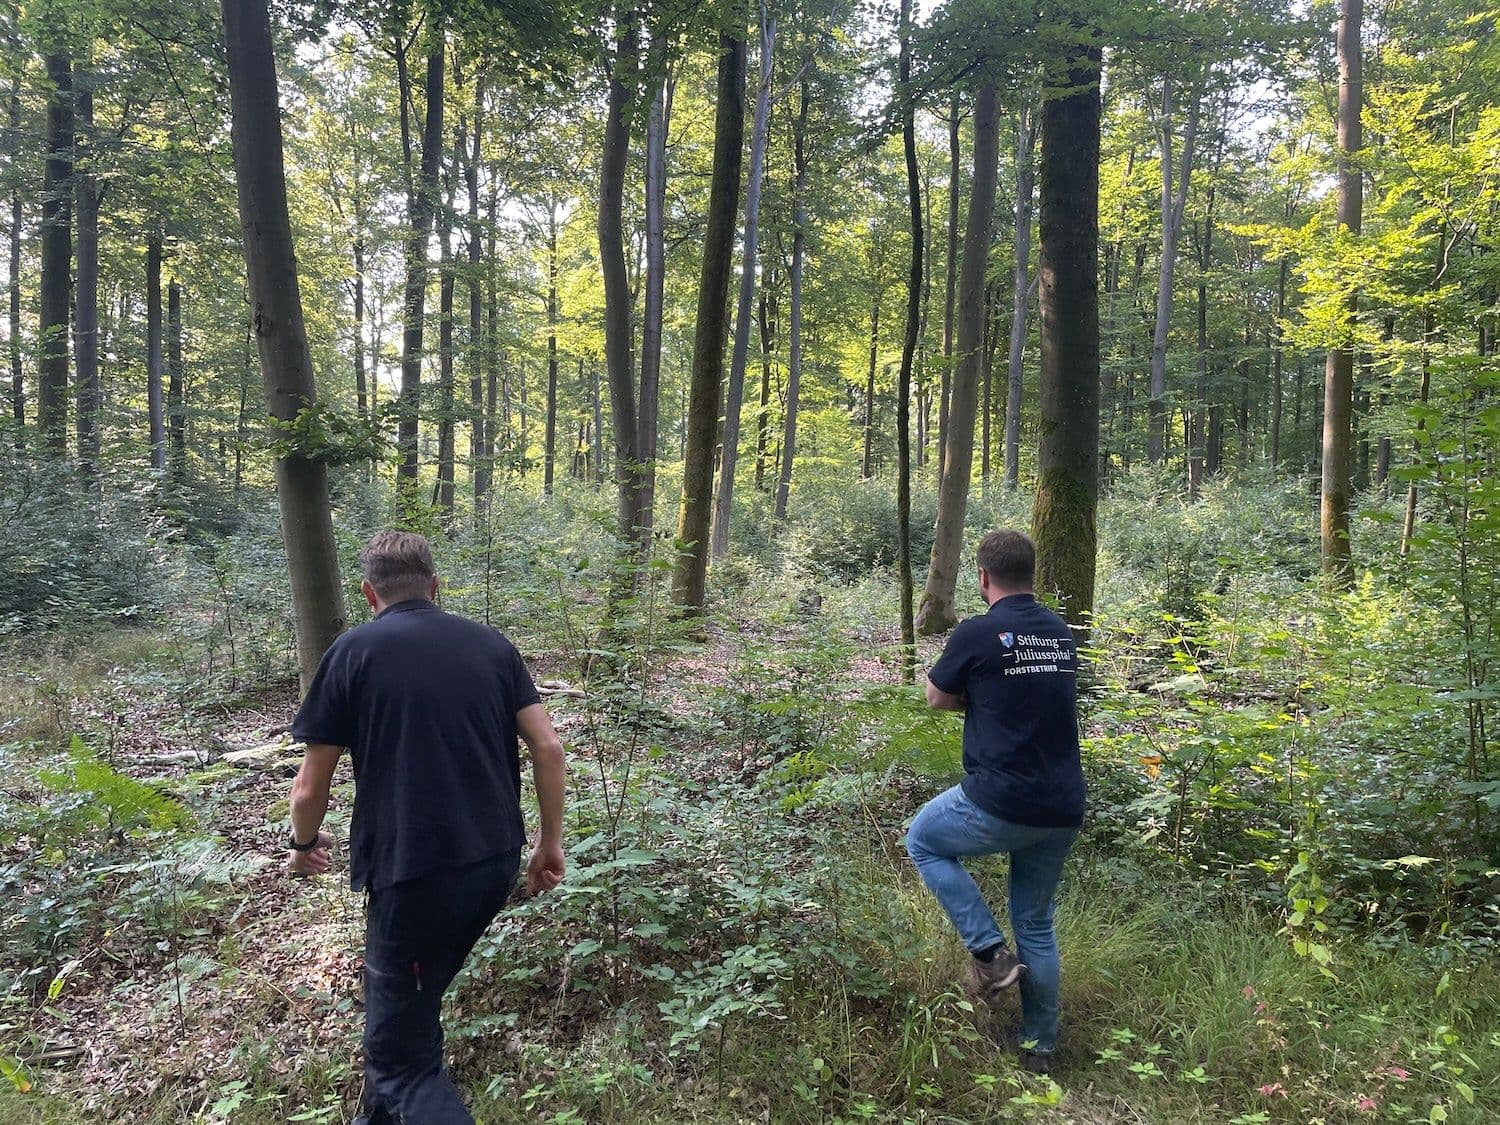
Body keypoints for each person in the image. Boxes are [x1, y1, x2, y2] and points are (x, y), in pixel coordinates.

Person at [283, 530, 567, 1124]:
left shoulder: (353, 652)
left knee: (400, 1059)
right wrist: (548, 844)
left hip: (413, 873)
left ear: (369, 593)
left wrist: (303, 846)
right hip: (492, 861)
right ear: (436, 588)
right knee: (404, 1021)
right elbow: (548, 746)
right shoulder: (491, 645)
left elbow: (310, 787)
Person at [905, 529, 1085, 1074]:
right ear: (1033, 574)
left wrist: (974, 698)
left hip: (1000, 800)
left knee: (923, 839)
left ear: (983, 578)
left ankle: (987, 953)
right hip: (1062, 805)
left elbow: (937, 698)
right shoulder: (1060, 632)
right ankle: (1040, 1048)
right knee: (1036, 922)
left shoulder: (976, 633)